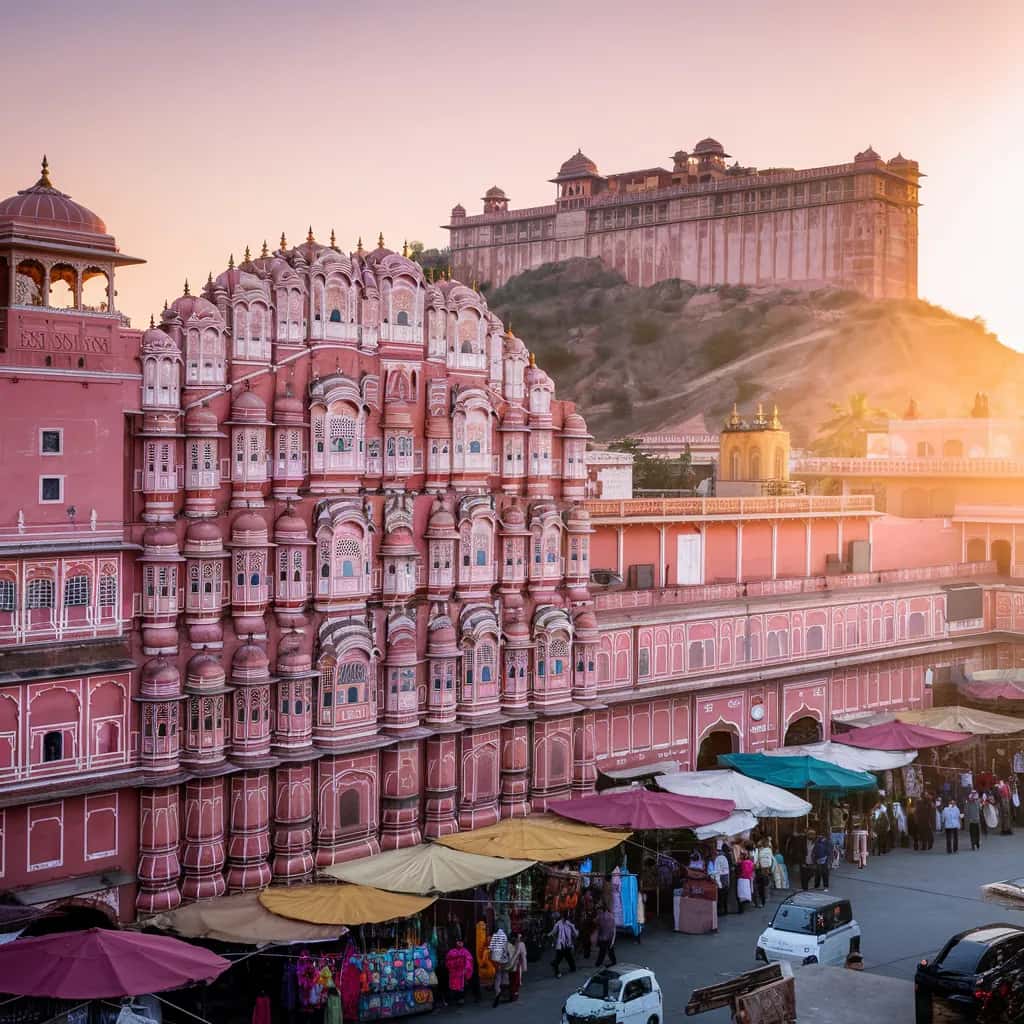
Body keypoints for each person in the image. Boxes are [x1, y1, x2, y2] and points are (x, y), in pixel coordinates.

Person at [549, 911, 578, 978]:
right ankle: (557, 973)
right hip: (561, 945)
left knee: (569, 957)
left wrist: (571, 926)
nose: (564, 919)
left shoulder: (570, 924)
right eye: (564, 917)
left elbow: (575, 934)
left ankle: (573, 968)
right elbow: (553, 932)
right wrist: (549, 935)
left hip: (568, 944)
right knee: (559, 959)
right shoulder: (558, 924)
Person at [446, 939, 474, 1005]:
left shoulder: (465, 951)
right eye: (458, 942)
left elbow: (469, 960)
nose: (459, 944)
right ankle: (456, 998)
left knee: (461, 986)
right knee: (454, 986)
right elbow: (448, 961)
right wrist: (452, 965)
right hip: (454, 972)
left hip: (462, 971)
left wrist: (466, 968)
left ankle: (461, 999)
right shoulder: (451, 951)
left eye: (461, 943)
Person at [490, 925, 510, 1007]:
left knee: (497, 976)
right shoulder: (504, 936)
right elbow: (506, 947)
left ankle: (497, 991)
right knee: (504, 974)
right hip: (504, 958)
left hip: (496, 959)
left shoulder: (494, 936)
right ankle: (505, 992)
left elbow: (491, 948)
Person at [506, 932, 527, 1002]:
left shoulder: (520, 945)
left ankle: (514, 994)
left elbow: (523, 956)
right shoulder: (508, 945)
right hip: (510, 965)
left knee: (515, 980)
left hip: (516, 965)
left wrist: (524, 966)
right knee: (511, 980)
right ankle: (512, 994)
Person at [754, 837, 774, 907]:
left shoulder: (758, 851)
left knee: (760, 885)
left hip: (760, 869)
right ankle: (765, 899)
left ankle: (761, 901)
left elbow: (756, 860)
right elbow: (771, 860)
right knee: (765, 884)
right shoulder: (769, 850)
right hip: (766, 869)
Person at [713, 843, 731, 916]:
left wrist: (718, 883)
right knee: (725, 896)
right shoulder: (726, 857)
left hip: (721, 878)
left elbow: (717, 871)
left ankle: (720, 911)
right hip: (726, 877)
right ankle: (725, 910)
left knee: (721, 896)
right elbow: (727, 870)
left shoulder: (718, 858)